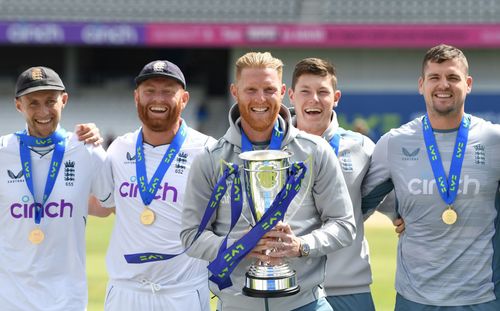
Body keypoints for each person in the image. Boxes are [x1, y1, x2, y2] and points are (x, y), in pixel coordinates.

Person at [181, 51, 356, 311]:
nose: (260, 99)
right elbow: (190, 237)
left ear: (283, 91)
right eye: (250, 89)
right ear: (235, 91)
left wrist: (301, 246)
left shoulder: (315, 151)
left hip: (305, 302)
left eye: (269, 89)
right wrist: (240, 246)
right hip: (236, 305)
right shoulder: (211, 159)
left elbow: (344, 225)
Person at [362, 44, 500, 310]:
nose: (443, 85)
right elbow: (359, 203)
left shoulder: (494, 140)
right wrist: (397, 212)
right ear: (421, 85)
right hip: (415, 299)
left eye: (453, 77)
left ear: (468, 84)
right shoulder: (394, 142)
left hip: (482, 298)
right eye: (435, 77)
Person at [95, 60, 215, 311]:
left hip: (182, 293)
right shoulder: (119, 148)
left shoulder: (208, 150)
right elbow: (109, 206)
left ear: (184, 98)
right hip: (125, 292)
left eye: (168, 91)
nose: (157, 99)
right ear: (136, 96)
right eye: (149, 90)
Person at [0, 66, 112, 310]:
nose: (43, 112)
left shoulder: (87, 149)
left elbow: (108, 206)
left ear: (64, 100)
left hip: (66, 300)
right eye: (33, 103)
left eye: (50, 101)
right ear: (19, 105)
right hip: (10, 299)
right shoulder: (2, 151)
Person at [288, 57, 377, 310]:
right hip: (294, 292)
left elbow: (390, 201)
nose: (314, 99)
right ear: (292, 96)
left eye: (323, 92)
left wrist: (399, 218)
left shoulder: (362, 148)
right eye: (305, 91)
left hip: (350, 288)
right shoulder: (275, 150)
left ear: (336, 97)